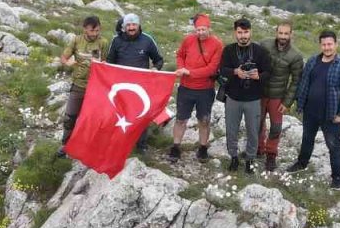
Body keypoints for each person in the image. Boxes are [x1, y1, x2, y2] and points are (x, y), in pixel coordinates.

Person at [287, 30, 340, 188]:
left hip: (330, 115)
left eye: (330, 44)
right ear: (320, 45)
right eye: (324, 44)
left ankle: (336, 177)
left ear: (336, 44)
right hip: (310, 111)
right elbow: (304, 83)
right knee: (307, 139)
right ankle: (302, 164)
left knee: (333, 146)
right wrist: (300, 103)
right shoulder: (312, 61)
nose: (327, 47)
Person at [218, 17, 272, 173]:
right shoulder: (228, 50)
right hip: (233, 98)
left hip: (253, 99)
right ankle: (233, 157)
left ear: (251, 32)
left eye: (246, 32)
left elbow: (269, 72)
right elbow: (222, 69)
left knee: (253, 131)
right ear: (235, 33)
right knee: (231, 130)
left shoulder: (260, 52)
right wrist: (236, 72)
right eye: (240, 32)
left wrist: (258, 76)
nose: (243, 36)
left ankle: (250, 159)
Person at [107, 13, 166, 151]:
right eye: (128, 25)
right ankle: (119, 144)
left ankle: (141, 146)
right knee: (118, 115)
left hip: (141, 87)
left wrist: (156, 69)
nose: (131, 27)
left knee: (140, 115)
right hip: (120, 87)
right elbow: (109, 62)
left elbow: (159, 60)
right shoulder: (116, 41)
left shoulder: (147, 40)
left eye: (134, 24)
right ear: (124, 27)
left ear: (138, 25)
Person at [169, 14, 223, 162]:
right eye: (198, 30)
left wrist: (189, 72)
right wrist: (181, 68)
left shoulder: (217, 45)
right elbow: (180, 55)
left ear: (209, 28)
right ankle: (175, 147)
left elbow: (212, 69)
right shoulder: (188, 40)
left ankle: (203, 148)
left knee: (204, 120)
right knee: (181, 119)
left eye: (203, 29)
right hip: (186, 88)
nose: (200, 33)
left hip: (205, 89)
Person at [57, 16, 107, 158]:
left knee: (92, 119)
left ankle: (88, 147)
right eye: (92, 30)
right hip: (78, 85)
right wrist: (67, 63)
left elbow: (105, 62)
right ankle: (65, 145)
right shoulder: (76, 40)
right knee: (70, 117)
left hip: (95, 88)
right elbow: (63, 57)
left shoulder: (103, 42)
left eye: (97, 30)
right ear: (85, 29)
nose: (95, 33)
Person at [257, 22, 303, 172]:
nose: (283, 36)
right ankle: (258, 148)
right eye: (280, 33)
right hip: (260, 92)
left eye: (286, 34)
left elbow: (296, 81)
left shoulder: (296, 55)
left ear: (291, 34)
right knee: (258, 122)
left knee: (276, 127)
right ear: (276, 32)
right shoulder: (264, 44)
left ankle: (271, 155)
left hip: (278, 96)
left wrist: (287, 102)